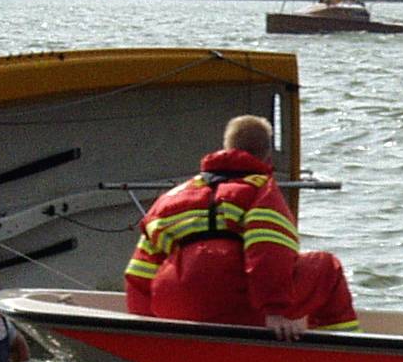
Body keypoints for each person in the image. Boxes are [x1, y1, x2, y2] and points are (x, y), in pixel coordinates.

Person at [125, 115, 359, 339]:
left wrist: (145, 328)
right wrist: (275, 312)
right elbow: (269, 251)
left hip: (173, 305)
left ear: (225, 147)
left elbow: (139, 273)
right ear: (268, 158)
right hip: (239, 305)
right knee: (327, 267)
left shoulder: (171, 198)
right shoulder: (261, 190)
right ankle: (345, 352)